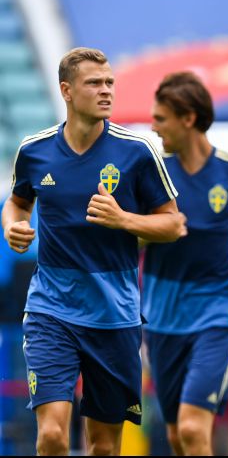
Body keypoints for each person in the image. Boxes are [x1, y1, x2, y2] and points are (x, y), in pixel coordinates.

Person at [1, 47, 186, 455]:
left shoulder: (136, 153)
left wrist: (126, 221)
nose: (106, 91)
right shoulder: (35, 151)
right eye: (94, 84)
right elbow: (17, 202)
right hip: (52, 310)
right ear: (67, 90)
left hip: (114, 317)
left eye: (109, 83)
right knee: (51, 435)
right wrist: (13, 224)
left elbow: (174, 224)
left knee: (104, 445)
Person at [141, 71, 228, 456]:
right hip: (162, 317)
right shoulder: (153, 172)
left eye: (161, 118)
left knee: (192, 427)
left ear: (187, 118)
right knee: (174, 436)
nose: (153, 126)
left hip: (217, 315)